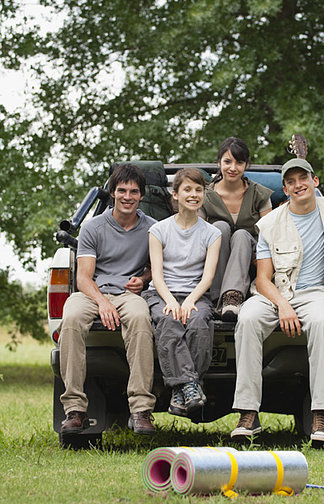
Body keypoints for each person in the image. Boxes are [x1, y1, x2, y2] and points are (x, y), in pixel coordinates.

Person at [231, 158, 324, 443]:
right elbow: (263, 279)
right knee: (248, 318)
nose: (297, 184)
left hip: (314, 292)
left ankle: (321, 416)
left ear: (315, 182)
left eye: (303, 178)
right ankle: (248, 414)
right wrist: (283, 306)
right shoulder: (270, 224)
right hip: (274, 293)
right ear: (285, 189)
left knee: (321, 320)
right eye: (290, 181)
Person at [58, 164, 157, 437]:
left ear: (141, 196)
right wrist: (102, 302)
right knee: (72, 316)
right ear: (112, 193)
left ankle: (140, 410)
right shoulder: (92, 227)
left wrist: (145, 279)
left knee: (139, 318)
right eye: (122, 190)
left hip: (130, 294)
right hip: (94, 291)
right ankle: (75, 410)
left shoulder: (153, 228)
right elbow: (84, 278)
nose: (128, 196)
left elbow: (157, 268)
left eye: (134, 192)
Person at [143, 168, 221, 417]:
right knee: (169, 320)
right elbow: (157, 274)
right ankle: (191, 386)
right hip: (161, 293)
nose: (194, 194)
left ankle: (180, 391)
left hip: (195, 294)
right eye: (187, 189)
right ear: (174, 194)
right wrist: (170, 301)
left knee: (198, 322)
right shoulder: (158, 230)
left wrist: (189, 301)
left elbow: (207, 276)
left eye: (199, 190)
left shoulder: (212, 233)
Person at [199, 137, 273, 320]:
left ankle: (232, 298)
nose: (233, 168)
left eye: (239, 162)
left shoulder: (259, 194)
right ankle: (218, 299)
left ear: (246, 165)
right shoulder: (205, 195)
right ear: (219, 163)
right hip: (215, 259)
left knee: (241, 235)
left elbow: (270, 234)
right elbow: (196, 234)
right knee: (220, 227)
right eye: (227, 161)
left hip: (252, 256)